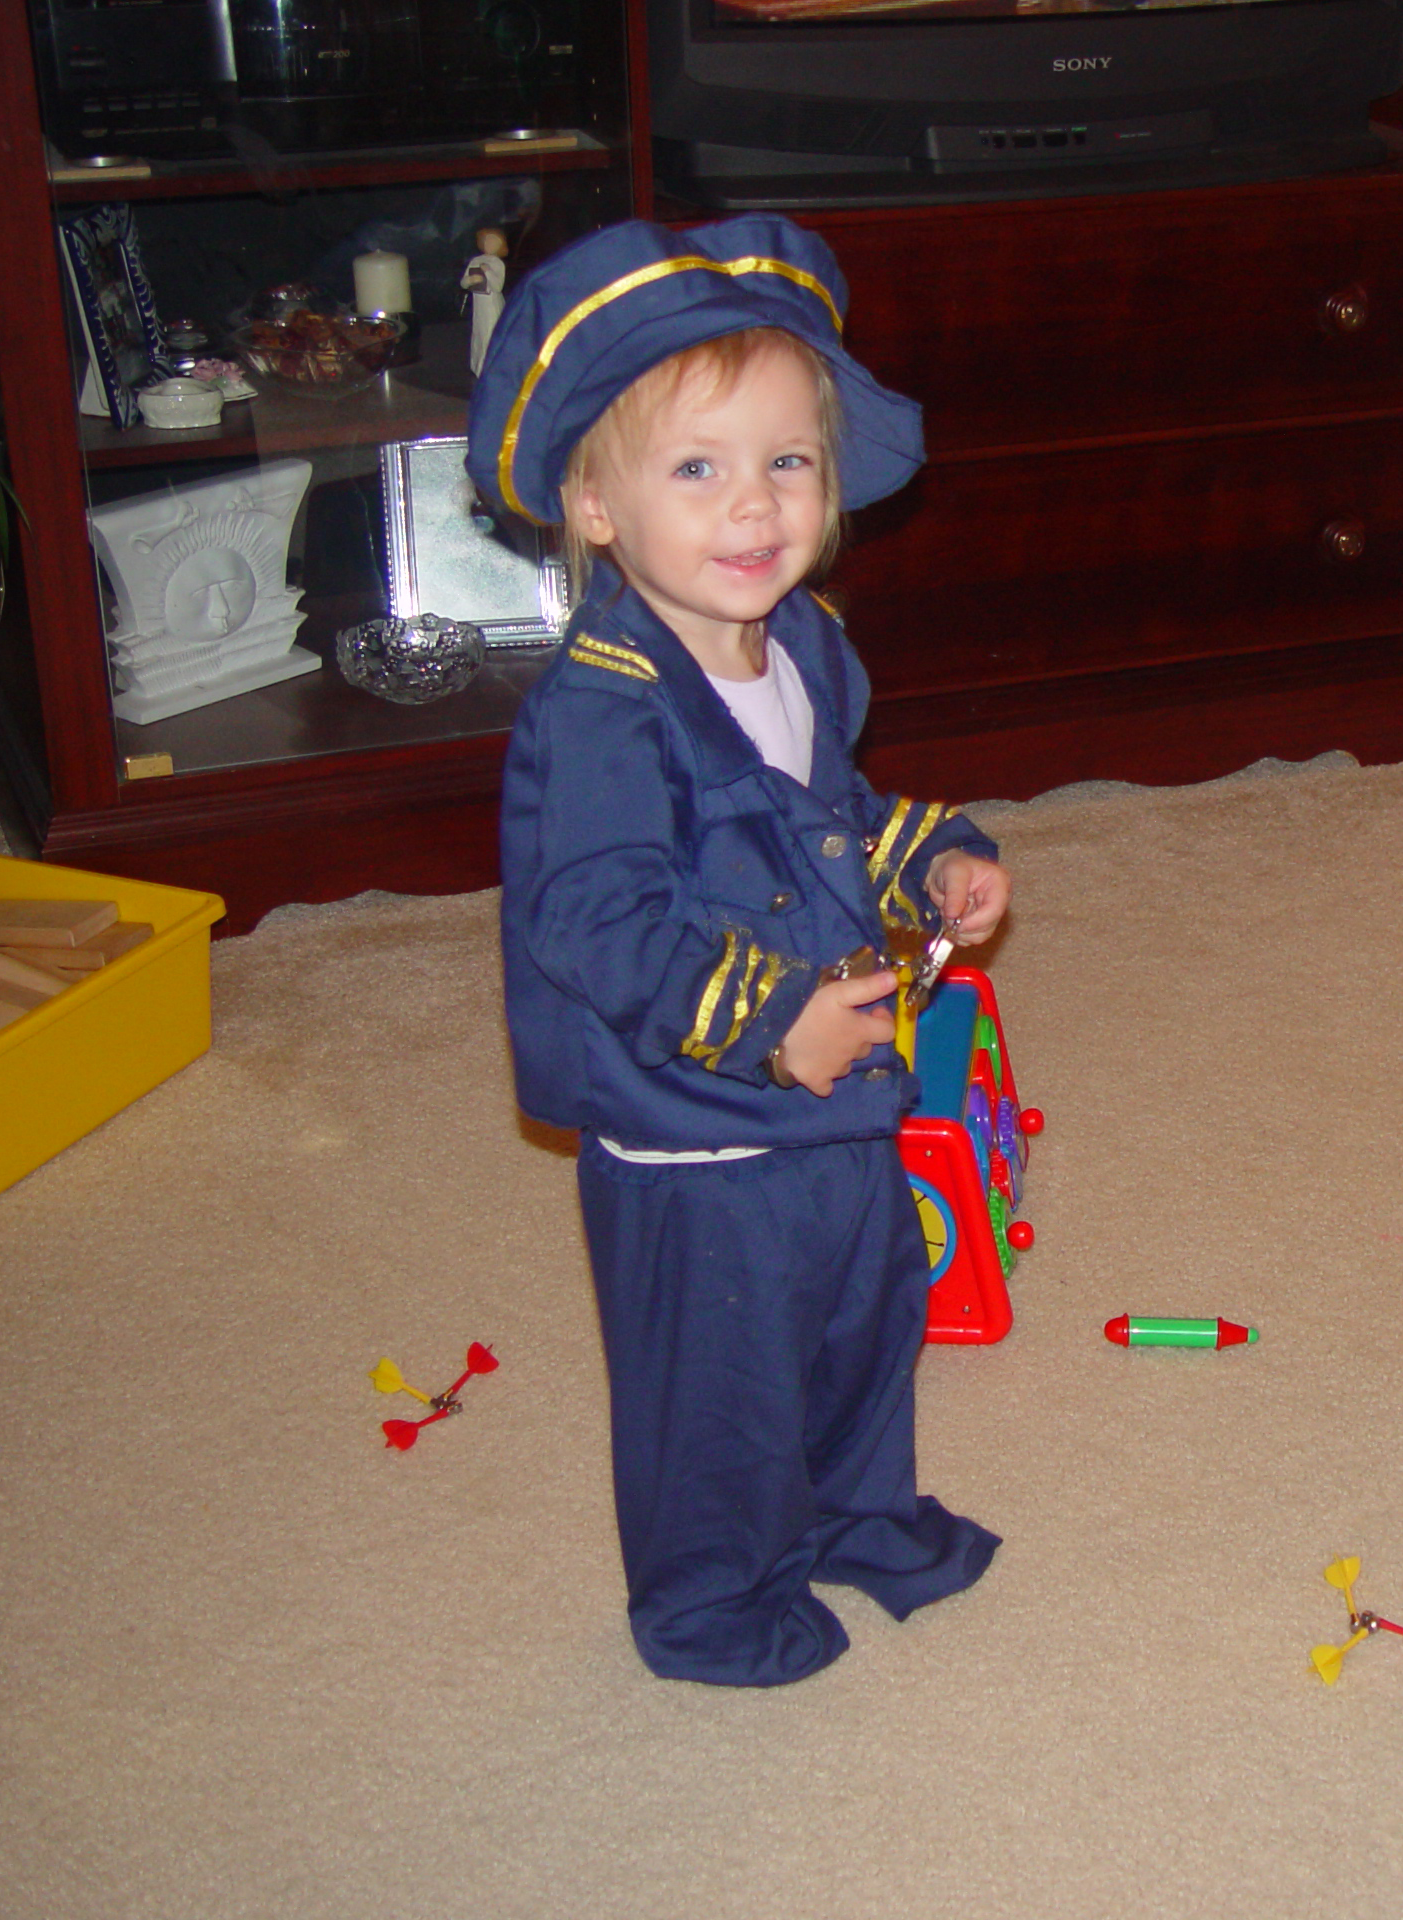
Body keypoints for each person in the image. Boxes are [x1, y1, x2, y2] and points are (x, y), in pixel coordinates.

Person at [470, 213, 1004, 1685]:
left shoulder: (805, 644)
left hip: (830, 1105)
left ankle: (851, 1515)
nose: (753, 505)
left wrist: (934, 855)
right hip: (697, 1133)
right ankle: (712, 1599)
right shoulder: (598, 711)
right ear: (593, 505)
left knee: (860, 1314)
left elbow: (830, 813)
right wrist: (777, 1023)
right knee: (721, 1384)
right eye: (696, 469)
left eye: (788, 461)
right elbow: (598, 920)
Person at [461, 227, 507, 376]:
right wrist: (470, 280)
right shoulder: (476, 260)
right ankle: (478, 366)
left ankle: (492, 367)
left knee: (490, 333)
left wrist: (487, 271)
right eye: (488, 241)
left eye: (495, 242)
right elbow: (463, 283)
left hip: (491, 304)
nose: (490, 244)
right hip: (479, 304)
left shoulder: (498, 263)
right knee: (479, 334)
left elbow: (498, 286)